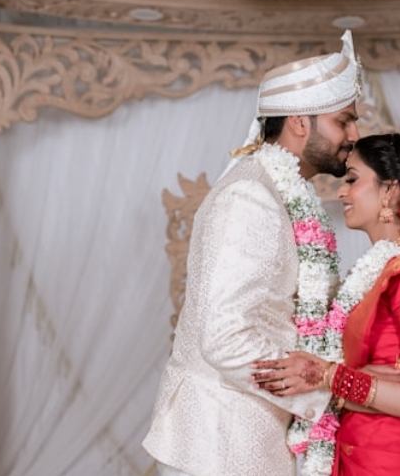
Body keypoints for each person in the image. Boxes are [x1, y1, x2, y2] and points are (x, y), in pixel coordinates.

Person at [143, 31, 363, 476]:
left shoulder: (280, 191)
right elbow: (226, 336)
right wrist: (327, 392)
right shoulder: (251, 196)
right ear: (300, 122)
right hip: (221, 443)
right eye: (344, 120)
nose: (355, 135)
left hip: (247, 436)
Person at [252, 133, 400, 476]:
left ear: (389, 190)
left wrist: (329, 376)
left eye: (352, 179)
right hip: (367, 452)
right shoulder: (383, 272)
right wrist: (338, 384)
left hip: (394, 460)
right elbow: (368, 382)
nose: (342, 192)